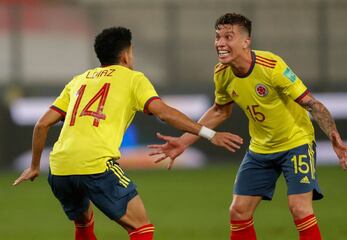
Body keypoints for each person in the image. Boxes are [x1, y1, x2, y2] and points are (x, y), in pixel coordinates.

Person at [13, 26, 243, 240]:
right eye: (131, 52)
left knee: (83, 224)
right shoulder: (133, 78)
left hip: (59, 168)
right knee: (141, 227)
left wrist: (34, 166)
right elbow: (164, 114)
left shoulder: (78, 81)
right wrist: (210, 133)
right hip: (95, 165)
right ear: (125, 56)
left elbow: (42, 125)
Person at [148, 13, 347, 240]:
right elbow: (220, 111)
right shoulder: (222, 73)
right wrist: (184, 142)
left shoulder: (272, 66)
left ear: (246, 41)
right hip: (260, 149)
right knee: (238, 211)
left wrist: (333, 133)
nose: (220, 43)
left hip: (296, 143)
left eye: (228, 37)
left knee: (299, 209)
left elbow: (311, 103)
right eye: (218, 37)